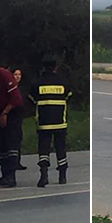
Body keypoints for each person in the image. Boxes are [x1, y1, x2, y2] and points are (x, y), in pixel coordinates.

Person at [29, 59, 72, 187]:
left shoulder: (37, 83)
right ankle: (62, 176)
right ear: (56, 67)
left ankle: (44, 175)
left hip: (43, 122)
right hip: (60, 122)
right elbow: (69, 97)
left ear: (43, 68)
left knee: (43, 149)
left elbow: (31, 99)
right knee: (61, 148)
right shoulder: (63, 83)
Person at [11, 68, 28, 171]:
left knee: (18, 138)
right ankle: (11, 161)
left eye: (19, 75)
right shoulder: (10, 88)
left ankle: (17, 161)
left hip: (19, 118)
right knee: (12, 140)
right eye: (15, 74)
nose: (18, 77)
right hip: (11, 117)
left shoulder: (22, 89)